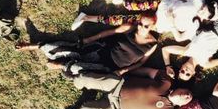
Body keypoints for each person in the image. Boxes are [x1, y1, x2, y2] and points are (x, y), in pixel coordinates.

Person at [71, 0, 218, 42]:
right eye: (207, 6)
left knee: (122, 20)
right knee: (131, 5)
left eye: (207, 12)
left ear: (208, 19)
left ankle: (86, 17)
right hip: (161, 4)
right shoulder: (198, 1)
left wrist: (172, 24)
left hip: (157, 23)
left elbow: (180, 38)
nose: (203, 8)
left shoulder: (195, 27)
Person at [16, 15, 158, 75]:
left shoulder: (152, 45)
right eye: (140, 23)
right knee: (68, 48)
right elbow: (109, 32)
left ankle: (61, 64)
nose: (140, 27)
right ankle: (35, 46)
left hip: (111, 67)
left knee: (81, 69)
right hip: (101, 49)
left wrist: (123, 71)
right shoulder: (130, 28)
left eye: (145, 26)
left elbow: (140, 63)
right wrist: (90, 39)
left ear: (152, 26)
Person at [62, 65, 194, 109]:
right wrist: (127, 72)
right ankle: (74, 79)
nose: (186, 96)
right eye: (188, 92)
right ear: (181, 87)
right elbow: (147, 71)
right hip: (118, 85)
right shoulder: (166, 81)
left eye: (187, 98)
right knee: (85, 78)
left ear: (181, 105)